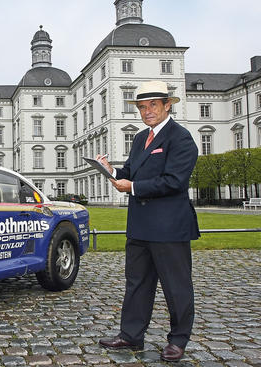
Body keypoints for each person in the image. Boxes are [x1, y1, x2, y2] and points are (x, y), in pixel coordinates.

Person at [97, 80, 200, 362]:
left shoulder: (181, 138)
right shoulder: (142, 138)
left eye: (153, 105)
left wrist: (132, 187)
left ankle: (178, 340)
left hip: (169, 227)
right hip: (140, 224)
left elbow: (174, 181)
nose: (147, 111)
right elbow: (130, 171)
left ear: (167, 105)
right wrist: (112, 170)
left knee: (176, 286)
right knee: (137, 283)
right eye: (142, 107)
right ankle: (131, 334)